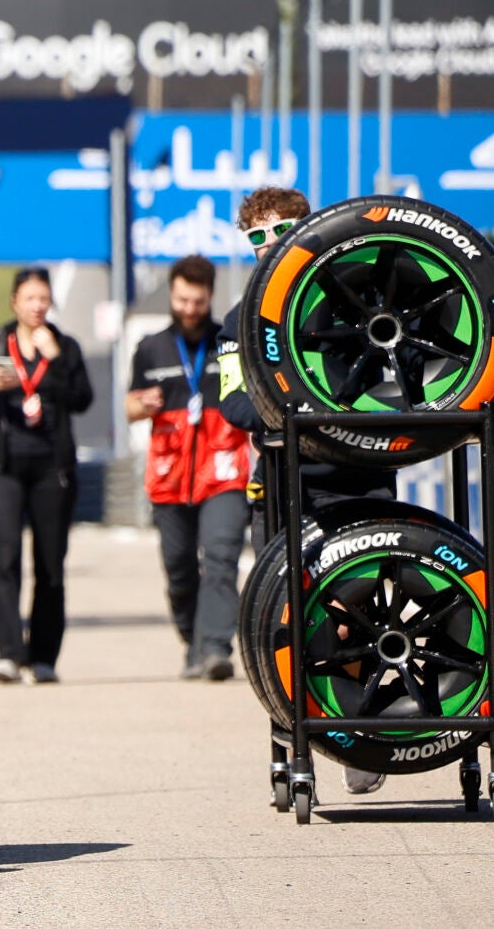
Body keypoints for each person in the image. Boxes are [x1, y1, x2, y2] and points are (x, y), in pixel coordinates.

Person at [216, 186, 394, 796]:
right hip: (285, 486)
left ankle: (360, 731)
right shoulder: (237, 319)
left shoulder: (351, 299)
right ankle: (306, 742)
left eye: (284, 228)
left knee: (359, 613)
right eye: (258, 235)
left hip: (360, 477)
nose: (271, 243)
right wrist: (300, 413)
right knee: (297, 623)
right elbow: (235, 403)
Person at [0, 267, 94, 685]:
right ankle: (8, 654)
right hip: (3, 466)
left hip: (52, 468)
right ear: (15, 302)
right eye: (30, 299)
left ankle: (43, 657)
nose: (37, 306)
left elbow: (82, 399)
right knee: (5, 558)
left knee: (50, 564)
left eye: (43, 298)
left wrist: (54, 361)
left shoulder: (65, 346)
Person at [126, 255, 248, 681]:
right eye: (182, 300)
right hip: (170, 476)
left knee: (221, 557)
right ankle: (193, 642)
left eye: (197, 301)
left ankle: (216, 648)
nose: (190, 309)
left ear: (210, 296)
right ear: (172, 295)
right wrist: (141, 405)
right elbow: (128, 407)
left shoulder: (228, 342)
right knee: (179, 568)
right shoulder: (150, 348)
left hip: (224, 472)